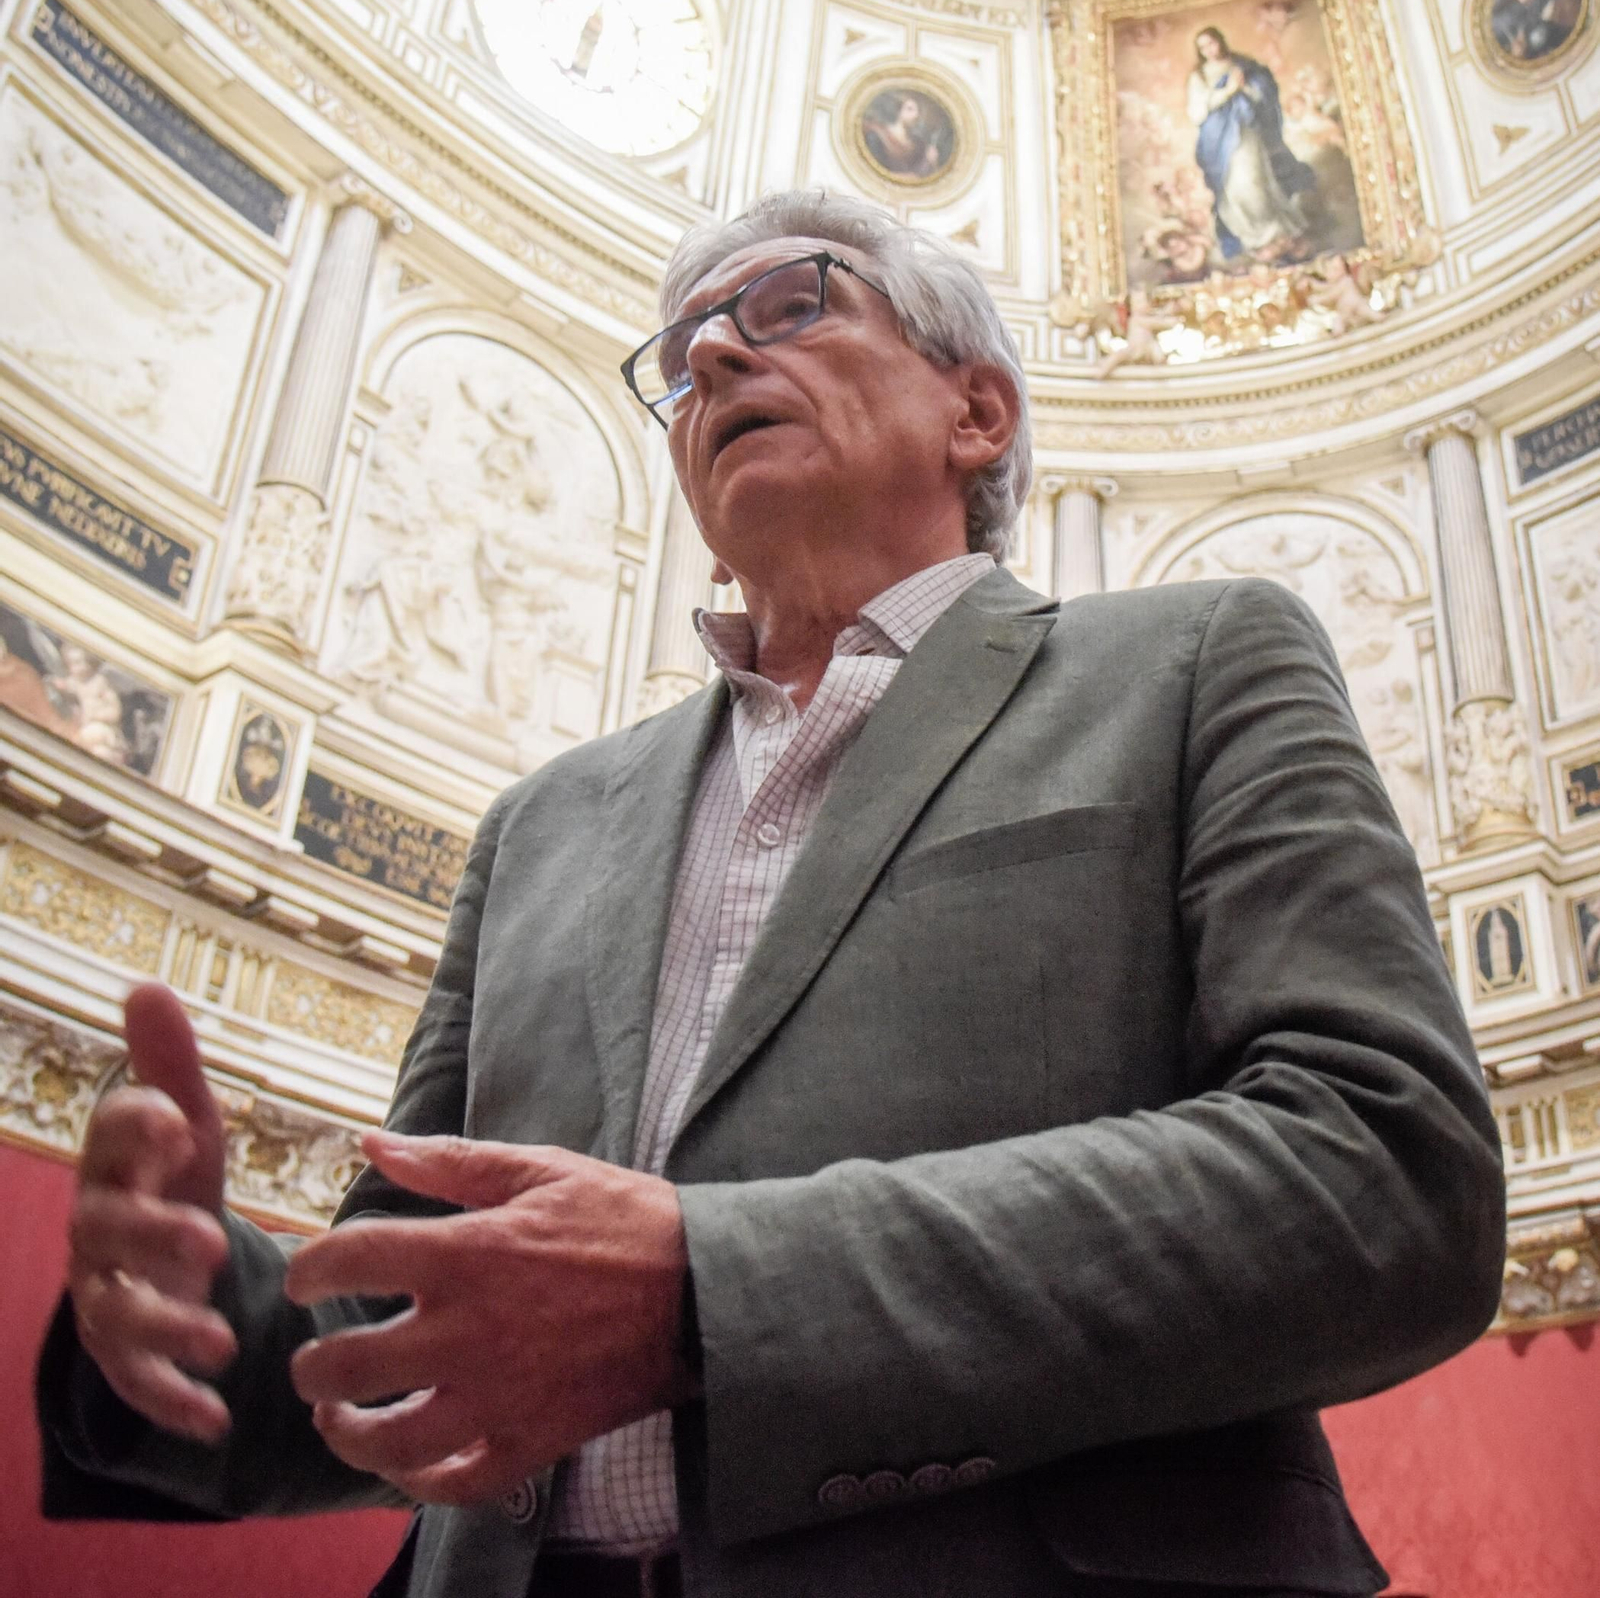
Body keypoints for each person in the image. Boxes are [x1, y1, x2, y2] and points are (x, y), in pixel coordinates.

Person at [38, 188, 1505, 1598]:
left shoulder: (1193, 664)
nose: (718, 358)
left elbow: (1388, 1169)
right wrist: (191, 1317)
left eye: (792, 304)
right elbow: (419, 1312)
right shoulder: (540, 824)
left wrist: (705, 1295)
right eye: (682, 361)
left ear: (976, 412)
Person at [1187, 26, 1317, 265]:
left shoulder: (1243, 65)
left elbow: (1264, 96)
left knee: (1254, 183)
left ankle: (1275, 235)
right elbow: (1196, 112)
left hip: (1245, 133)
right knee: (1233, 190)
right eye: (1203, 47)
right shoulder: (1200, 76)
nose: (1209, 50)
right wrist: (1228, 91)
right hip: (1217, 141)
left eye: (1211, 43)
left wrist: (1245, 88)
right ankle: (1255, 240)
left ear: (1220, 41)